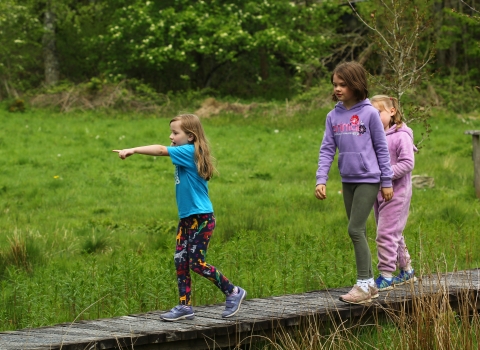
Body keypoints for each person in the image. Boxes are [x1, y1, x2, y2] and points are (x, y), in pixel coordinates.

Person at [113, 114, 246, 321]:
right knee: (180, 261)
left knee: (196, 263)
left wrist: (133, 149)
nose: (171, 136)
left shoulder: (189, 151)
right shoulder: (187, 151)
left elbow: (159, 150)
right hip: (187, 219)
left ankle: (233, 292)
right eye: (171, 132)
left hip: (201, 219)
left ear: (191, 136)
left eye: (175, 133)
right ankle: (185, 307)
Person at [315, 61, 394, 305]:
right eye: (335, 84)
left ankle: (362, 284)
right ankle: (369, 285)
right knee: (356, 231)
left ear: (356, 85)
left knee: (355, 229)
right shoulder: (333, 115)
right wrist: (321, 179)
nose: (338, 89)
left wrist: (386, 181)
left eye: (343, 84)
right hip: (347, 180)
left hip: (369, 178)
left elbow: (382, 148)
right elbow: (327, 149)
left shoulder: (370, 113)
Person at [370, 95, 417, 291]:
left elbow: (407, 163)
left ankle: (386, 275)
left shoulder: (401, 135)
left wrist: (384, 176)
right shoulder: (375, 134)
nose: (373, 117)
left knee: (385, 233)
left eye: (378, 113)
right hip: (378, 193)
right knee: (392, 231)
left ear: (392, 111)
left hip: (397, 192)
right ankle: (407, 271)